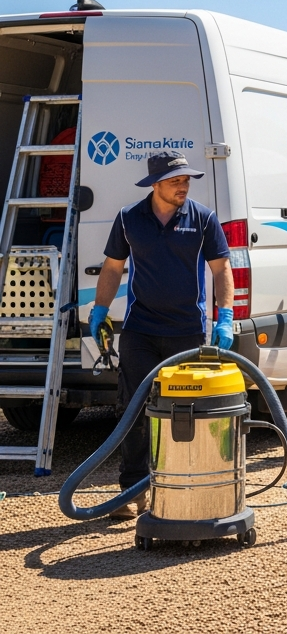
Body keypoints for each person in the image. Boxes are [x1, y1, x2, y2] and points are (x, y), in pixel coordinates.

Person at [87, 151, 234, 521]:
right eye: (175, 181)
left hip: (186, 331)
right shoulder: (128, 219)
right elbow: (112, 268)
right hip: (141, 330)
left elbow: (221, 269)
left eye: (186, 180)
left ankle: (184, 485)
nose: (183, 186)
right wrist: (100, 310)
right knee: (132, 410)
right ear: (155, 185)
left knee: (184, 413)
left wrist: (225, 316)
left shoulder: (203, 219)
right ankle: (133, 490)